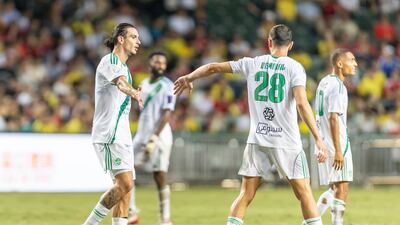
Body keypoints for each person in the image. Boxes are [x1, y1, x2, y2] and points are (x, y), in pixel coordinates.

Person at [174, 24, 328, 225]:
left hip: (258, 139)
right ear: (290, 45)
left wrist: (189, 76)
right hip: (287, 141)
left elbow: (213, 67)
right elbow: (301, 102)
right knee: (305, 193)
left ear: (269, 42)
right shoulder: (295, 67)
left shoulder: (252, 63)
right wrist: (318, 138)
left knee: (246, 194)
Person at [83, 23, 143, 225]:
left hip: (122, 135)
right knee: (124, 184)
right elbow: (120, 83)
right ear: (121, 39)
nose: (138, 41)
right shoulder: (110, 61)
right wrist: (134, 92)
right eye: (134, 37)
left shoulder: (125, 67)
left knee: (126, 189)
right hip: (109, 134)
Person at [128, 52, 176, 225]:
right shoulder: (143, 83)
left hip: (160, 136)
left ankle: (165, 219)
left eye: (163, 63)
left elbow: (167, 112)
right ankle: (131, 212)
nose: (161, 65)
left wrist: (155, 136)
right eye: (157, 62)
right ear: (150, 64)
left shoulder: (168, 86)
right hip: (142, 134)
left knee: (159, 175)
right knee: (125, 171)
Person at [314, 48, 357, 225]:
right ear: (340, 64)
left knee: (333, 188)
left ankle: (311, 220)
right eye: (352, 60)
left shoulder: (324, 82)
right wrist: (339, 150)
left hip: (324, 140)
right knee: (342, 188)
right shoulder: (338, 86)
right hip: (336, 141)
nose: (355, 64)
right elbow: (333, 117)